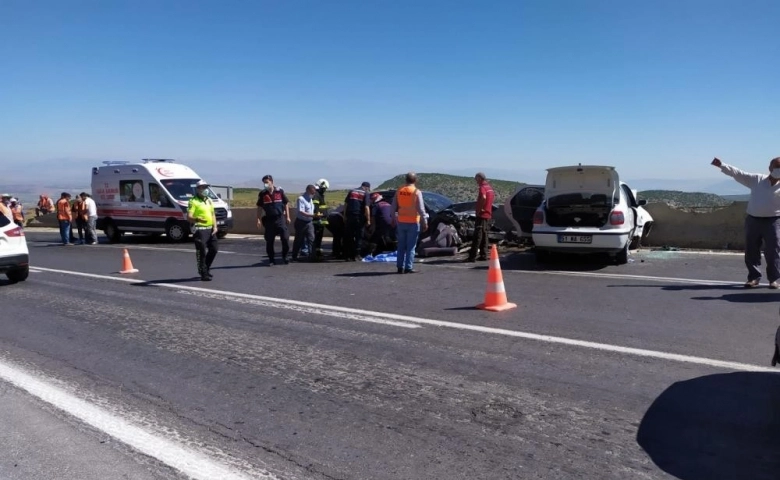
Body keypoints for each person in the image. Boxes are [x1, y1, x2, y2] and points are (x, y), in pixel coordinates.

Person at [712, 156, 780, 288]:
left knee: (774, 250)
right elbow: (738, 173)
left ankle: (774, 279)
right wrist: (721, 165)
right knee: (751, 249)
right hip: (753, 219)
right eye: (776, 167)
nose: (778, 170)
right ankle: (754, 278)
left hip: (774, 221)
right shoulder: (757, 179)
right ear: (770, 168)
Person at [391, 172, 428, 273]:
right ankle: (408, 267)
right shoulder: (416, 191)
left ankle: (399, 266)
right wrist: (424, 221)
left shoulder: (399, 190)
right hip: (413, 222)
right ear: (415, 180)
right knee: (411, 246)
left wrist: (393, 218)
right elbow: (421, 209)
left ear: (406, 180)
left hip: (401, 221)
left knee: (401, 245)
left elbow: (393, 206)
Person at [256, 174, 291, 265]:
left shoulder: (279, 192)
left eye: (267, 182)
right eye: (264, 183)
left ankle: (285, 256)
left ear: (272, 182)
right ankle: (271, 259)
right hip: (269, 220)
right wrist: (258, 219)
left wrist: (288, 216)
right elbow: (259, 207)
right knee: (269, 240)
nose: (265, 184)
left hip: (280, 219)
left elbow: (286, 203)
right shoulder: (263, 194)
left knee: (285, 238)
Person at [187, 180, 218, 281]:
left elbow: (213, 214)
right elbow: (189, 217)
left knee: (214, 249)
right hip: (200, 229)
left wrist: (215, 226)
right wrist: (197, 219)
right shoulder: (193, 201)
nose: (205, 189)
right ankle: (203, 273)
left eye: (206, 187)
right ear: (198, 189)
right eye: (203, 187)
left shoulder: (209, 200)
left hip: (210, 229)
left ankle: (206, 268)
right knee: (201, 252)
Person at [465, 172, 495, 262]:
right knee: (485, 235)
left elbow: (483, 197)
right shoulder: (490, 188)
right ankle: (483, 254)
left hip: (482, 214)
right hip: (488, 214)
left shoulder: (482, 188)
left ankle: (472, 256)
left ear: (479, 178)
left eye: (476, 178)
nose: (475, 180)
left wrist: (480, 209)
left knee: (478, 235)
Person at [342, 181, 372, 261]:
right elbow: (366, 207)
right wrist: (368, 220)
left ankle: (348, 255)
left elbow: (346, 204)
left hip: (350, 217)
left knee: (349, 236)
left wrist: (344, 216)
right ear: (367, 187)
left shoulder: (352, 191)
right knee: (359, 236)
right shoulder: (365, 193)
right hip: (359, 217)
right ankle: (357, 255)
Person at [291, 185, 317, 261]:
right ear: (308, 191)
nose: (313, 194)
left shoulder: (310, 199)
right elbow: (301, 211)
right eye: (312, 192)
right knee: (299, 240)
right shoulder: (301, 199)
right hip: (301, 222)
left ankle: (312, 256)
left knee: (311, 239)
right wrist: (313, 215)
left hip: (309, 222)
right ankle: (294, 256)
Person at [311, 178, 330, 260]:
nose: (325, 190)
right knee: (317, 238)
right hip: (317, 221)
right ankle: (315, 255)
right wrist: (318, 218)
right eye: (324, 188)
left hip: (321, 221)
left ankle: (317, 254)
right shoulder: (316, 195)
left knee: (319, 238)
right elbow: (315, 208)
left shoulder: (319, 195)